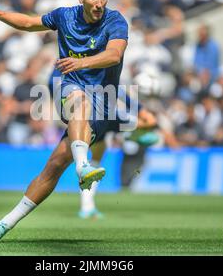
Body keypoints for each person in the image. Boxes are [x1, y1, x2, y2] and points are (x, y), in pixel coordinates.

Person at [0, 0, 132, 243]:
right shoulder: (64, 16)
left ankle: (4, 224)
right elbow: (27, 23)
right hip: (71, 89)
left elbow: (114, 54)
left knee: (54, 166)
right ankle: (84, 166)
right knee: (78, 100)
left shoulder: (115, 21)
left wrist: (81, 62)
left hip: (103, 103)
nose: (99, 3)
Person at [48, 68, 158, 219]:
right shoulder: (85, 62)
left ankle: (87, 206)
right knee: (142, 123)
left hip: (92, 113)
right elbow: (114, 89)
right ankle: (129, 135)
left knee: (95, 159)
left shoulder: (71, 60)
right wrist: (139, 109)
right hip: (95, 115)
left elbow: (52, 84)